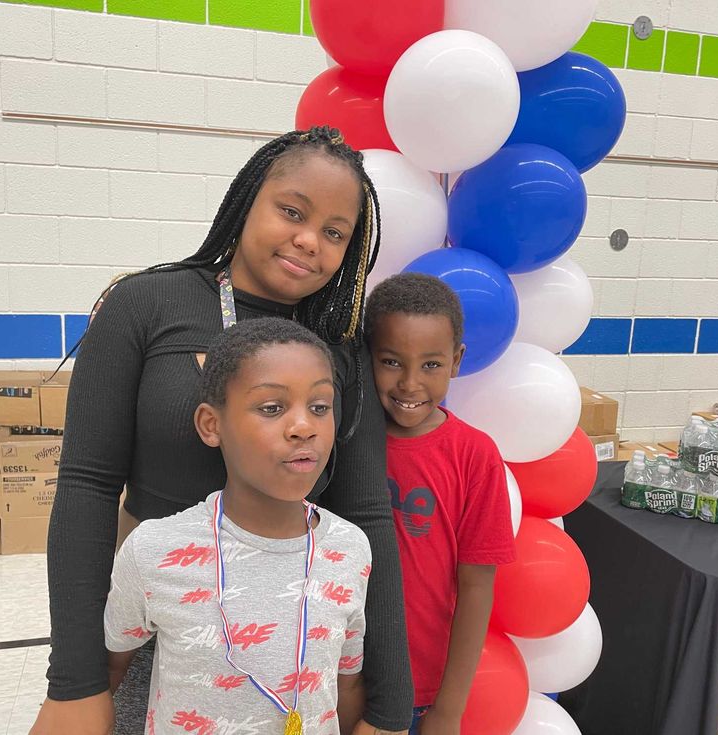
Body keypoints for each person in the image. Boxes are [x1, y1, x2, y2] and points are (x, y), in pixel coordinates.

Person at [30, 127, 413, 735]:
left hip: (298, 650)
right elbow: (85, 486)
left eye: (336, 233)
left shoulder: (342, 348)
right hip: (150, 634)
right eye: (292, 211)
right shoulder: (144, 304)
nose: (309, 240)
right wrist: (75, 680)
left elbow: (367, 515)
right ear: (247, 200)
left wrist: (391, 709)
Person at [104, 318, 371, 735]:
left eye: (320, 406)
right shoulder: (154, 550)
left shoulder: (350, 549)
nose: (305, 427)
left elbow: (347, 681)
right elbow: (109, 668)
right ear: (212, 425)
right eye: (272, 407)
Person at [364, 274, 517, 735]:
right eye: (391, 361)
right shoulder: (346, 439)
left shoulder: (474, 455)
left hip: (418, 689)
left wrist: (448, 710)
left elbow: (476, 587)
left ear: (456, 361)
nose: (410, 383)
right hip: (336, 677)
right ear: (366, 355)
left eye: (430, 365)